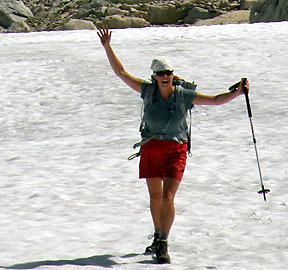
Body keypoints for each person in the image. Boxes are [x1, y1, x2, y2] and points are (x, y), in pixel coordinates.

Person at [97, 25, 249, 264]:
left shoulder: (182, 95)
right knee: (155, 198)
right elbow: (122, 74)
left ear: (172, 74)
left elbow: (217, 100)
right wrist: (108, 48)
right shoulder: (147, 91)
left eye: (168, 72)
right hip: (151, 147)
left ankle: (163, 243)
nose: (165, 76)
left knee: (167, 197)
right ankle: (158, 237)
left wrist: (238, 92)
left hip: (175, 149)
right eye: (160, 73)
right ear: (154, 76)